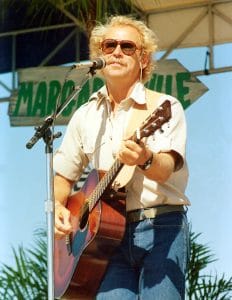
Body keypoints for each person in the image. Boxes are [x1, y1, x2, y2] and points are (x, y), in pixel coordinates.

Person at [54, 15, 190, 300]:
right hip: (104, 238)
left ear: (144, 60)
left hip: (161, 227)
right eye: (109, 45)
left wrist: (145, 157)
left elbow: (165, 169)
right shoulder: (84, 115)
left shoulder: (164, 106)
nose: (117, 52)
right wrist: (58, 206)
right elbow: (63, 176)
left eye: (127, 47)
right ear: (99, 55)